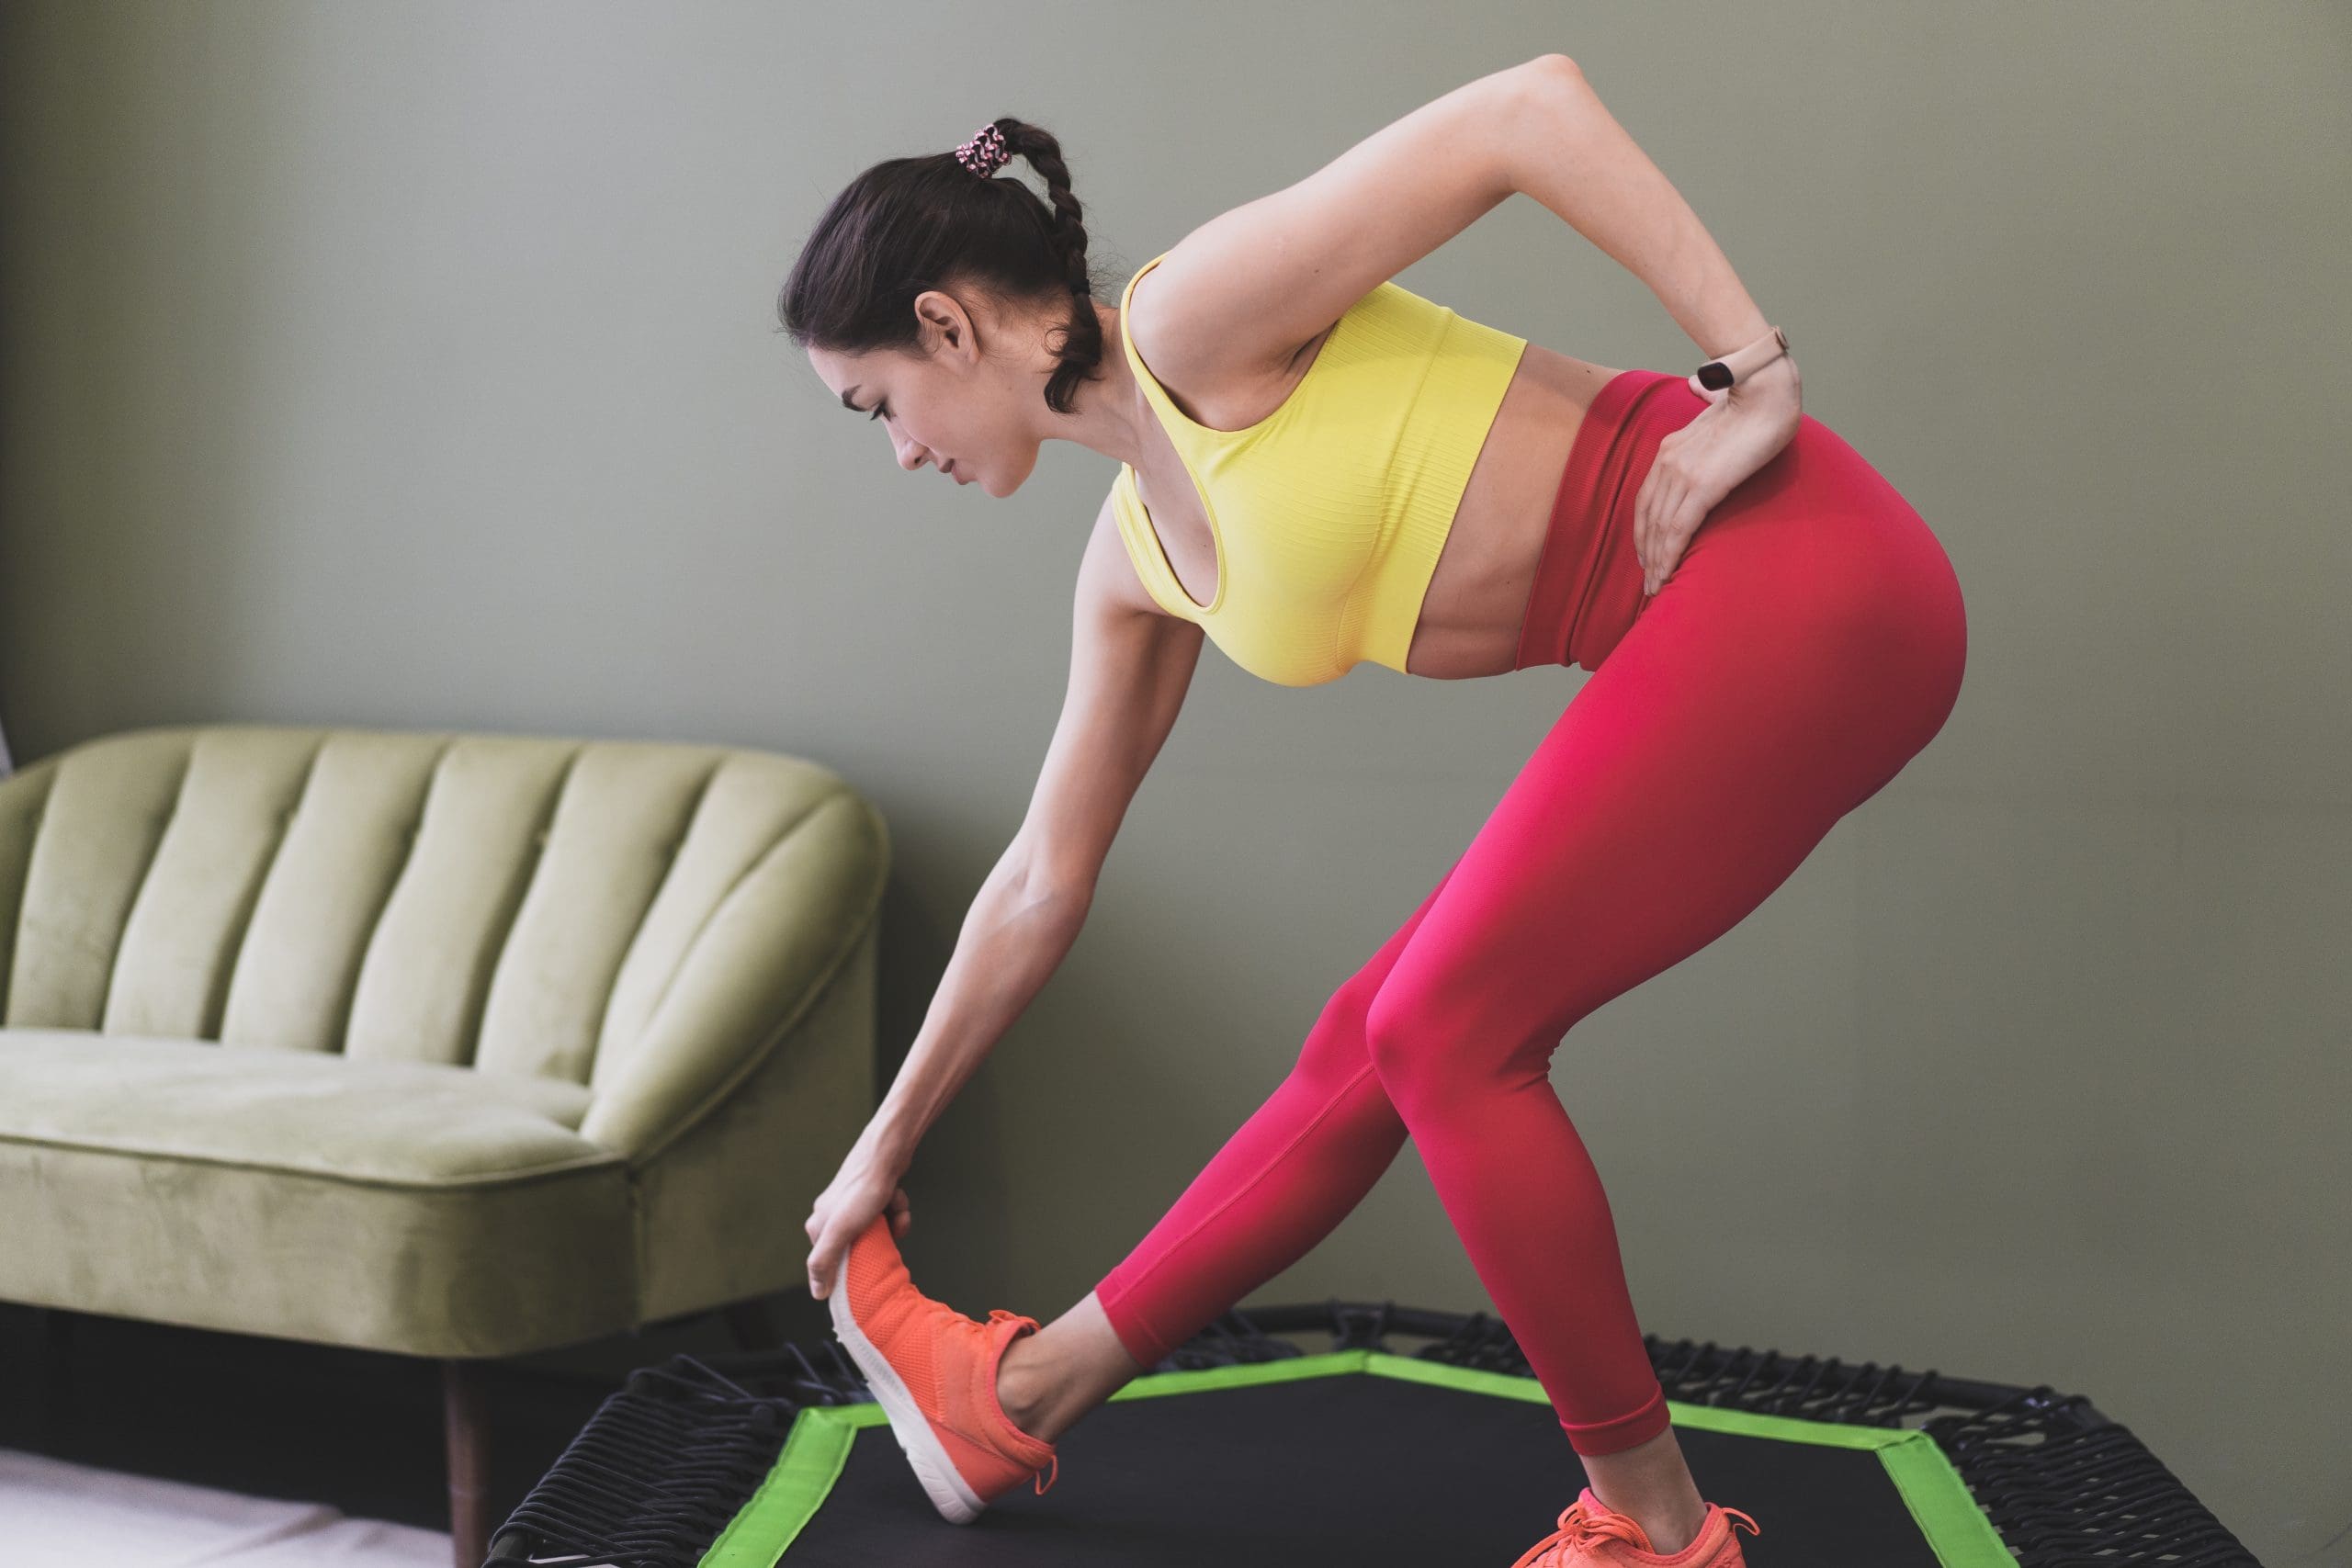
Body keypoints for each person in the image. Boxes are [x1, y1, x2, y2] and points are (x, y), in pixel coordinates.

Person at [781, 57, 1962, 1568]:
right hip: (1718, 631)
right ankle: (1010, 1396)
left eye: (878, 401)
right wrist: (884, 1145)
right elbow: (1037, 881)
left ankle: (1658, 1535)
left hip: (1803, 570)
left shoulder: (1193, 319)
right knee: (1377, 1033)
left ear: (947, 324)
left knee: (1445, 1032)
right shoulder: (1134, 553)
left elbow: (1526, 111)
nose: (899, 451)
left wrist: (1753, 375)